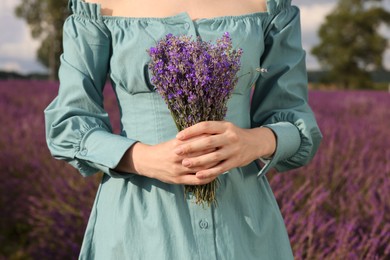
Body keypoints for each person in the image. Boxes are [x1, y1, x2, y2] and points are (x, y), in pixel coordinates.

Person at [44, 0, 322, 259]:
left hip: (243, 224)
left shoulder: (271, 7)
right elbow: (69, 123)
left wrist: (255, 142)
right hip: (139, 225)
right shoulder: (97, 7)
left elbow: (296, 121)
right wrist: (143, 158)